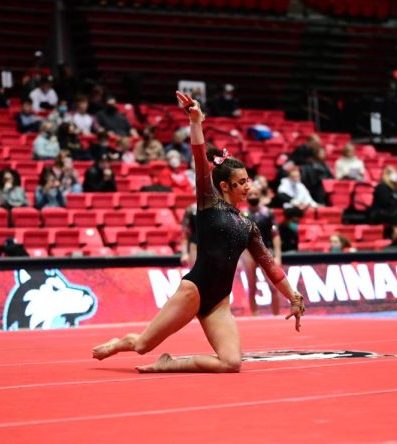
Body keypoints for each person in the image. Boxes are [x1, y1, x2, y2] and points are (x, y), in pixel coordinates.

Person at [93, 91, 305, 373]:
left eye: (248, 180)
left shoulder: (249, 227)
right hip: (193, 291)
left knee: (231, 363)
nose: (247, 186)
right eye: (241, 182)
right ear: (225, 186)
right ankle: (120, 343)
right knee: (143, 345)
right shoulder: (208, 202)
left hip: (218, 302)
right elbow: (199, 158)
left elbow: (270, 265)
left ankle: (168, 364)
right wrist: (196, 122)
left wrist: (293, 295)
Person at [242, 185, 282, 315]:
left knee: (273, 285)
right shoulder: (241, 214)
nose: (253, 197)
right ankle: (254, 315)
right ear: (246, 197)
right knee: (252, 286)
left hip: (266, 250)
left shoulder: (268, 213)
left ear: (260, 196)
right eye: (250, 195)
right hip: (248, 252)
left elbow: (275, 234)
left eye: (255, 194)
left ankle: (276, 314)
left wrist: (278, 255)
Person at [179, 202, 198, 267]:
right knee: (195, 271)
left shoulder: (216, 208)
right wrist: (184, 253)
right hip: (195, 244)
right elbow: (184, 232)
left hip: (211, 246)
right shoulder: (191, 209)